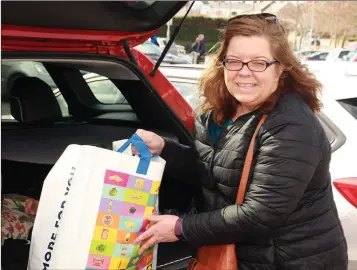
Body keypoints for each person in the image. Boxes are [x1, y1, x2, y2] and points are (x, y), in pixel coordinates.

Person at [133, 13, 348, 270]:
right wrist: (165, 149)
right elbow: (215, 171)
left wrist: (180, 228)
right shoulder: (220, 113)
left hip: (288, 261)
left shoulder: (291, 125)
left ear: (281, 68)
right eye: (234, 61)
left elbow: (260, 215)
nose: (244, 73)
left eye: (258, 63)